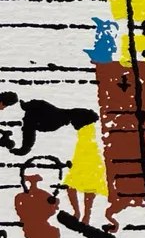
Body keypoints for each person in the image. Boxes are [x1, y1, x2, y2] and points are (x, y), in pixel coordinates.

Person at [0, 93, 106, 224]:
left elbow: (30, 128)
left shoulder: (50, 120)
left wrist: (21, 148)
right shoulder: (51, 120)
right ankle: (81, 214)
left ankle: (82, 215)